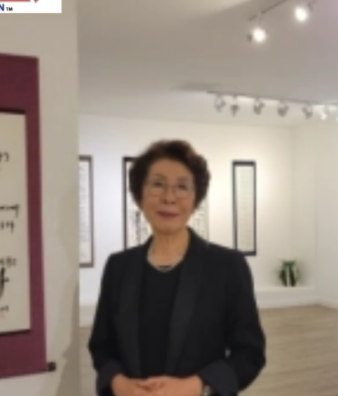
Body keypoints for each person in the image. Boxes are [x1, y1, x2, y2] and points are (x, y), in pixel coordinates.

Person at [88, 140, 266, 396]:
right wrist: (121, 385)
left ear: (195, 200)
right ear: (139, 196)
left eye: (182, 187)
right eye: (157, 184)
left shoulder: (227, 266)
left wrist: (194, 386)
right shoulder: (119, 267)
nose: (169, 198)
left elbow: (249, 353)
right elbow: (102, 347)